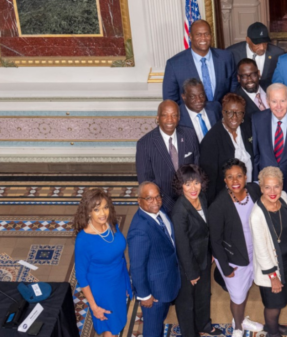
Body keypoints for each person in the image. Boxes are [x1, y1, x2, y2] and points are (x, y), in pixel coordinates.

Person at [208, 159, 264, 337]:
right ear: (224, 180)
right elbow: (215, 240)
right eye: (230, 177)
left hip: (254, 255)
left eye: (239, 176)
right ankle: (238, 328)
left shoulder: (254, 191)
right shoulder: (219, 205)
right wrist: (225, 268)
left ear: (246, 177)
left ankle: (240, 320)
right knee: (237, 297)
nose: (235, 181)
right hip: (234, 260)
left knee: (246, 288)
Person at [171, 165, 223, 337]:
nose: (193, 188)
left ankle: (204, 325)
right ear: (181, 186)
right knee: (187, 302)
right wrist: (192, 272)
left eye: (196, 182)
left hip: (204, 257)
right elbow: (182, 244)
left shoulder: (202, 197)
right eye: (187, 184)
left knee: (203, 295)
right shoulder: (180, 210)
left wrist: (212, 251)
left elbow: (208, 228)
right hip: (188, 264)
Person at [74, 189, 132, 337]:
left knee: (117, 321)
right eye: (96, 209)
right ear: (88, 212)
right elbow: (81, 276)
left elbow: (119, 255)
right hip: (102, 289)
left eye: (105, 207)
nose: (103, 213)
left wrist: (126, 281)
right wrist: (94, 307)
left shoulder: (112, 224)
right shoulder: (83, 240)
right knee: (111, 327)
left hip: (119, 280)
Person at [127, 182, 181, 337]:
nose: (156, 202)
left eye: (158, 197)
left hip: (166, 280)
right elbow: (136, 267)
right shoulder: (139, 231)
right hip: (154, 291)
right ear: (139, 201)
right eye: (149, 199)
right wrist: (144, 295)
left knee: (160, 319)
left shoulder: (159, 211)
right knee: (152, 329)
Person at [249, 167, 287, 337]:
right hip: (271, 268)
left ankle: (274, 326)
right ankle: (273, 332)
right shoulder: (256, 215)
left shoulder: (284, 198)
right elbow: (261, 249)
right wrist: (273, 277)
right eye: (267, 187)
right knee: (273, 305)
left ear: (282, 185)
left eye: (276, 186)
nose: (272, 191)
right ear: (261, 188)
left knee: (282, 300)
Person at [136, 100, 200, 213]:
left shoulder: (190, 135)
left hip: (190, 197)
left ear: (179, 117)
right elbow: (145, 181)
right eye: (165, 115)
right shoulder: (144, 144)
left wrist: (190, 196)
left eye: (174, 115)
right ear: (157, 118)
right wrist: (168, 204)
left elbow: (197, 168)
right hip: (162, 203)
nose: (170, 120)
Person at [164, 20, 237, 105]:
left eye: (206, 34)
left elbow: (234, 88)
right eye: (198, 34)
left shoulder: (226, 57)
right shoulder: (174, 64)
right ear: (190, 37)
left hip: (222, 116)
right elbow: (170, 101)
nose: (203, 38)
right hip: (191, 117)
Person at [199, 93, 253, 204]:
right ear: (223, 112)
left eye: (238, 112)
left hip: (249, 194)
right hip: (226, 200)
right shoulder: (211, 140)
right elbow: (210, 181)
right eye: (229, 112)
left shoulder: (247, 128)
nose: (234, 117)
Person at [227, 22, 285, 89]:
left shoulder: (277, 53)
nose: (262, 48)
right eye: (257, 44)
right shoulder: (232, 53)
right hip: (241, 96)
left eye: (265, 43)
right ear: (248, 40)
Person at [178, 78, 223, 143]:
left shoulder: (215, 107)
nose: (199, 100)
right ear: (184, 97)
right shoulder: (177, 116)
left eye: (201, 95)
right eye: (193, 96)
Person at [235, 58, 267, 123]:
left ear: (258, 73)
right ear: (238, 78)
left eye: (253, 74)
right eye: (244, 76)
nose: (249, 79)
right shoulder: (236, 101)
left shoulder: (270, 86)